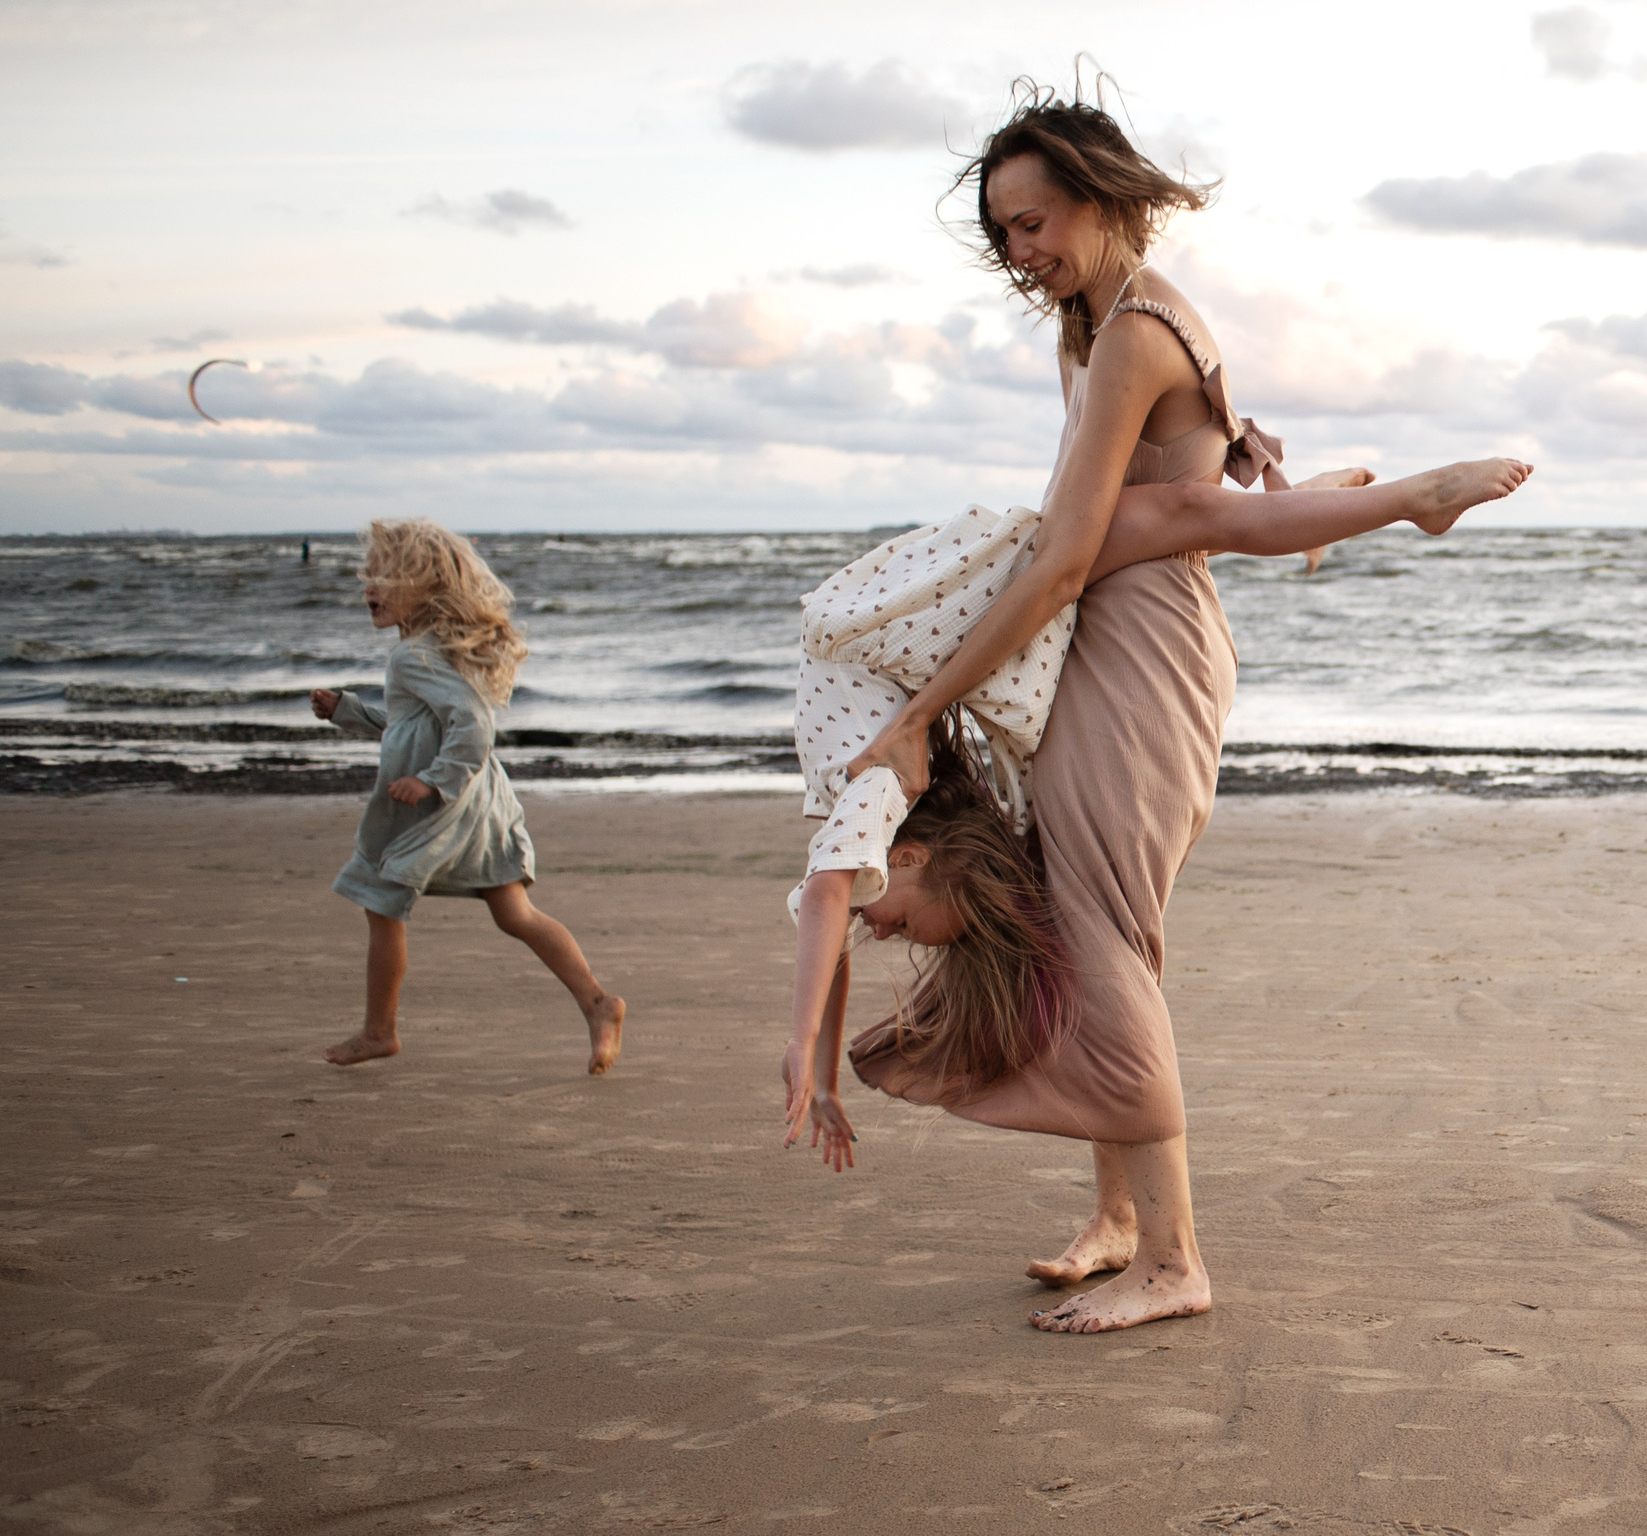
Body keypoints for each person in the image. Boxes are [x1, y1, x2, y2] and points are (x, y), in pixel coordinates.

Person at [779, 83, 1528, 1333]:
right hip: (1115, 630)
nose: (1021, 252)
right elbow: (1185, 481)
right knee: (1102, 919)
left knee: (1100, 923)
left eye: (1036, 221)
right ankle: (1121, 1216)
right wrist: (1244, 444)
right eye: (1003, 233)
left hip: (1142, 646)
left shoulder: (1127, 332)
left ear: (1099, 191)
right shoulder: (1099, 323)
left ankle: (1175, 1260)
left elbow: (1072, 554)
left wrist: (926, 713)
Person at [310, 519, 625, 1074]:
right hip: (482, 801)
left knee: (380, 899)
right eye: (369, 576)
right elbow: (418, 727)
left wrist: (434, 781)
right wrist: (349, 712)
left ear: (428, 587)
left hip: (442, 805)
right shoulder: (430, 650)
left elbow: (474, 725)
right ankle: (599, 1005)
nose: (371, 588)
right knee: (514, 912)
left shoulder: (414, 656)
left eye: (386, 576)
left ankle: (380, 1031)